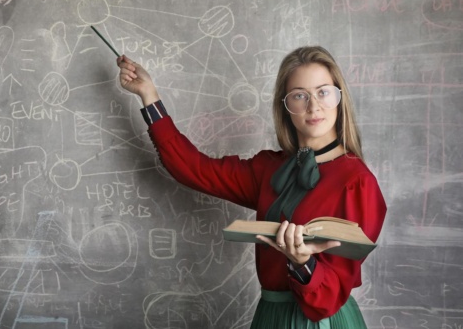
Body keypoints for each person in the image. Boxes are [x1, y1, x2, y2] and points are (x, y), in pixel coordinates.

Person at [116, 46, 386, 328]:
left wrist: (302, 263)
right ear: (286, 106)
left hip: (321, 322)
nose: (313, 106)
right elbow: (192, 169)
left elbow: (328, 300)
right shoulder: (269, 168)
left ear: (339, 98)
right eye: (299, 95)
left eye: (323, 92)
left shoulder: (357, 182)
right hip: (269, 316)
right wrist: (149, 95)